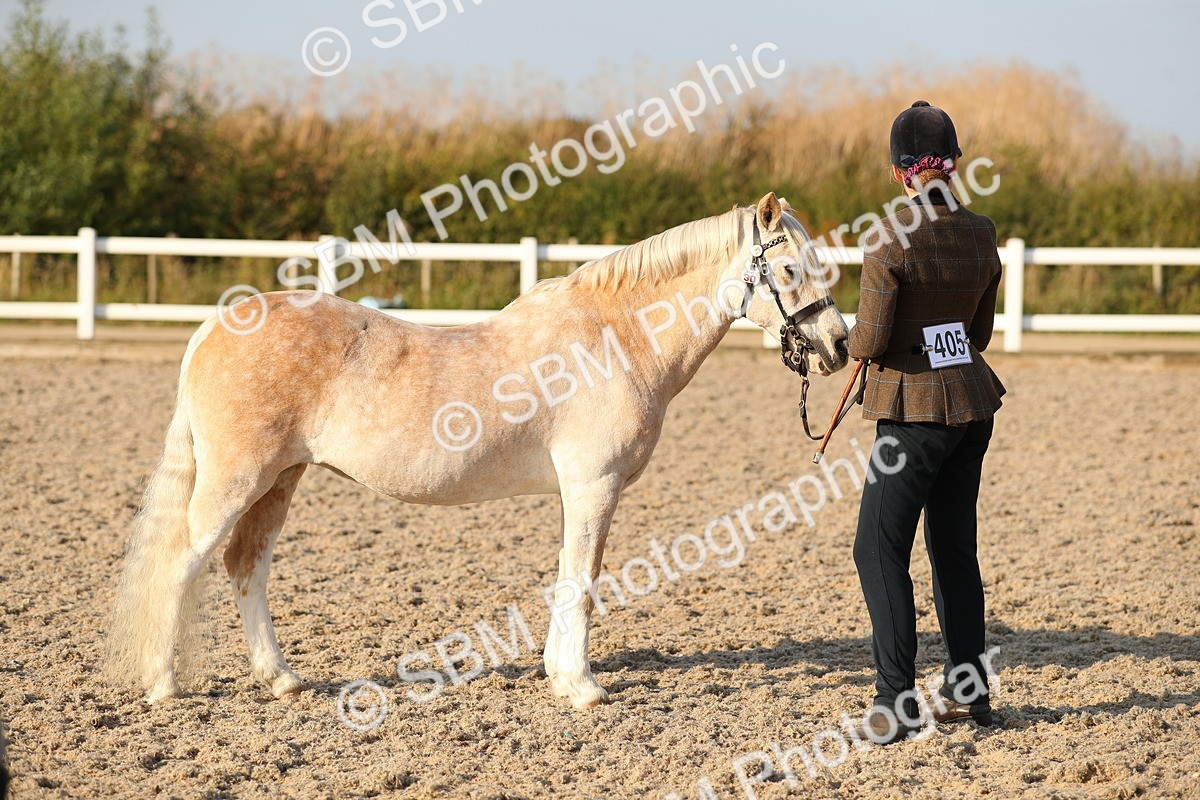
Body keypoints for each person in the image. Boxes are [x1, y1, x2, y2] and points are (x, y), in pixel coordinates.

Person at [847, 100, 1005, 744]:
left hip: (912, 414)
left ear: (898, 174)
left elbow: (872, 338)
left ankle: (894, 700)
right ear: (954, 166)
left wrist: (848, 347)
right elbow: (980, 333)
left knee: (877, 548)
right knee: (953, 550)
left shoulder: (887, 239)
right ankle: (969, 691)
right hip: (971, 407)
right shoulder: (983, 231)